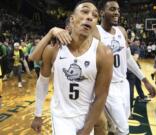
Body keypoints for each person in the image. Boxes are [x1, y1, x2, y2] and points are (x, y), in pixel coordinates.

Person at [30, 1, 113, 135]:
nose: (90, 17)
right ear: (72, 19)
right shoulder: (54, 49)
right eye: (85, 11)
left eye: (95, 15)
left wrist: (87, 129)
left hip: (87, 115)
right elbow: (42, 81)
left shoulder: (104, 53)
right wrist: (38, 114)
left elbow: (101, 95)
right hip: (61, 116)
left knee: (103, 126)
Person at [91, 0, 156, 134]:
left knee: (115, 127)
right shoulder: (95, 32)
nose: (117, 13)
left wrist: (145, 80)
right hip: (107, 87)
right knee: (123, 129)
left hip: (124, 84)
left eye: (118, 10)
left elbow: (128, 59)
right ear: (102, 13)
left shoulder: (121, 31)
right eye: (112, 9)